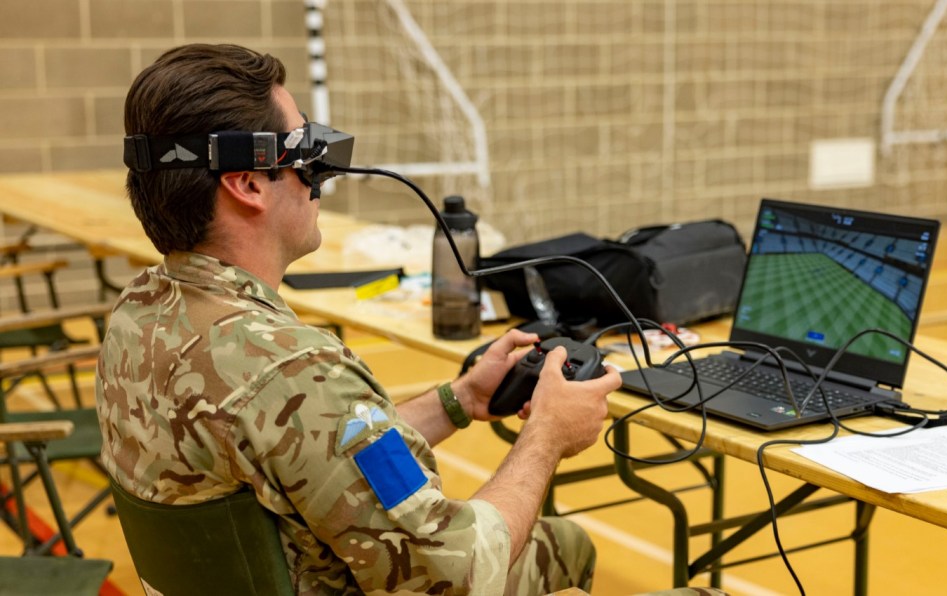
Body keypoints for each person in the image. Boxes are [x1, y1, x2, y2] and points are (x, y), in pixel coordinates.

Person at [96, 43, 622, 594]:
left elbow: (322, 459)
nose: (320, 173)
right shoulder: (292, 370)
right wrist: (546, 436)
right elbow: (458, 574)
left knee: (564, 547)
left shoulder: (138, 315)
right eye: (304, 152)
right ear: (248, 183)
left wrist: (460, 400)